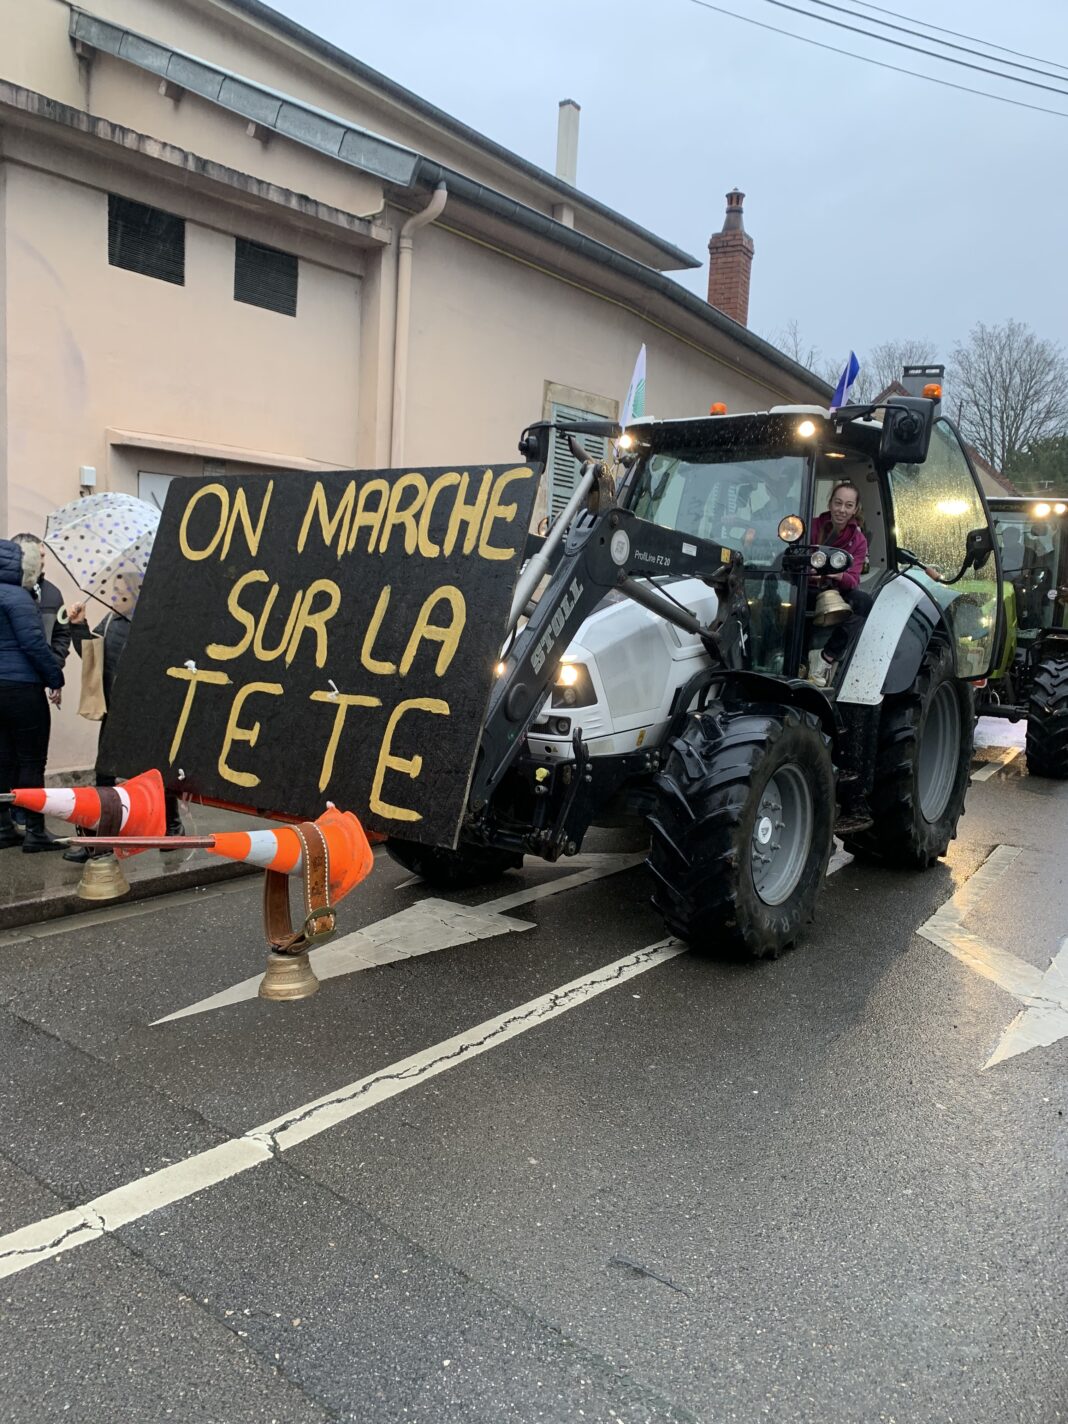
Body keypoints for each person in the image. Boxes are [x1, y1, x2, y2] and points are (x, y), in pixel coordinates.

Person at [63, 602, 181, 862]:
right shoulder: (110, 620)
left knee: (158, 771)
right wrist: (78, 626)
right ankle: (100, 840)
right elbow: (93, 658)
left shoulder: (156, 618)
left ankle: (171, 828)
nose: (114, 594)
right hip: (115, 710)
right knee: (105, 773)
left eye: (119, 587)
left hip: (149, 711)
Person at [0, 537, 66, 851]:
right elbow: (33, 645)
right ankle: (35, 832)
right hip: (22, 689)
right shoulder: (19, 597)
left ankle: (3, 827)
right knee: (31, 760)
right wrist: (55, 677)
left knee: (2, 759)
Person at [807, 480, 872, 689]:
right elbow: (794, 560)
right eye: (838, 503)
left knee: (863, 602)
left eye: (848, 505)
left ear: (855, 509)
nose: (841, 510)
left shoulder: (858, 541)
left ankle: (826, 657)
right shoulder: (811, 526)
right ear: (830, 503)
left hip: (836, 591)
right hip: (806, 586)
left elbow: (853, 579)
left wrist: (835, 575)